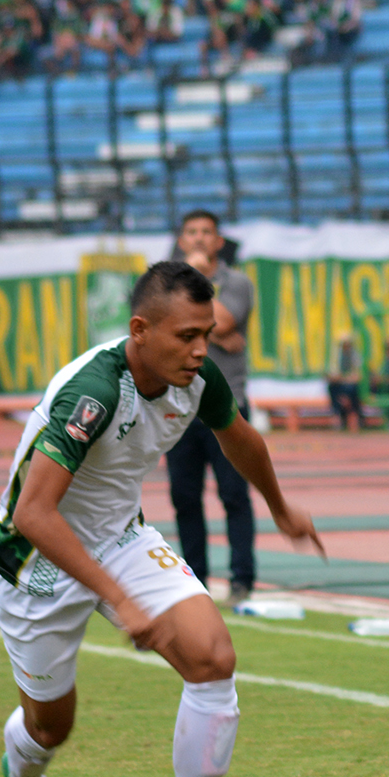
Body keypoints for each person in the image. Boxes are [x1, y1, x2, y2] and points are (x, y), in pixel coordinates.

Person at [0, 260, 322, 777]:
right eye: (187, 336)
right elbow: (35, 514)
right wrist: (121, 599)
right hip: (36, 558)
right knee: (50, 726)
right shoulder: (92, 392)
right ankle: (24, 776)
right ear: (140, 330)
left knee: (212, 657)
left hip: (121, 538)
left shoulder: (195, 377)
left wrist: (280, 508)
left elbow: (241, 437)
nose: (202, 349)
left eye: (207, 333)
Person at [164, 210, 257, 608]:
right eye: (192, 232)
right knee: (185, 499)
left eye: (207, 232)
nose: (200, 238)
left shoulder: (237, 282)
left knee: (234, 495)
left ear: (219, 241)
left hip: (227, 405)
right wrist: (216, 330)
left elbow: (223, 319)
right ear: (181, 240)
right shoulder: (164, 283)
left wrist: (199, 284)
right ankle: (195, 582)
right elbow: (170, 329)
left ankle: (242, 579)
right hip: (178, 407)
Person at [326, 332, 364, 430]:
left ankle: (353, 415)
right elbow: (333, 375)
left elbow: (358, 376)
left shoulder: (355, 355)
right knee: (332, 388)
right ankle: (338, 413)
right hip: (342, 384)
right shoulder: (337, 356)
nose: (346, 347)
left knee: (352, 389)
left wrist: (343, 378)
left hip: (352, 386)